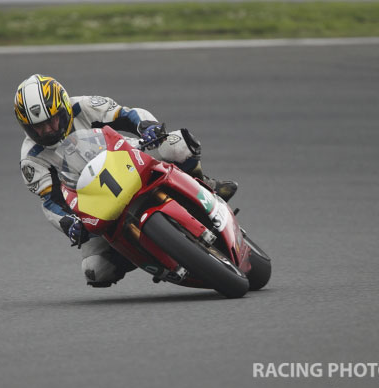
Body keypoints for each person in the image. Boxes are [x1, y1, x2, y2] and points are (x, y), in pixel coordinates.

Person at [14, 74, 237, 288]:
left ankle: (204, 184)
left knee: (176, 144)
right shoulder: (31, 158)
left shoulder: (83, 106)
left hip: (128, 159)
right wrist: (69, 223)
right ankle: (146, 252)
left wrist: (147, 126)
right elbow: (50, 201)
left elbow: (127, 115)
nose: (47, 130)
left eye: (52, 120)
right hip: (95, 203)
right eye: (38, 127)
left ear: (64, 108)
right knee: (96, 270)